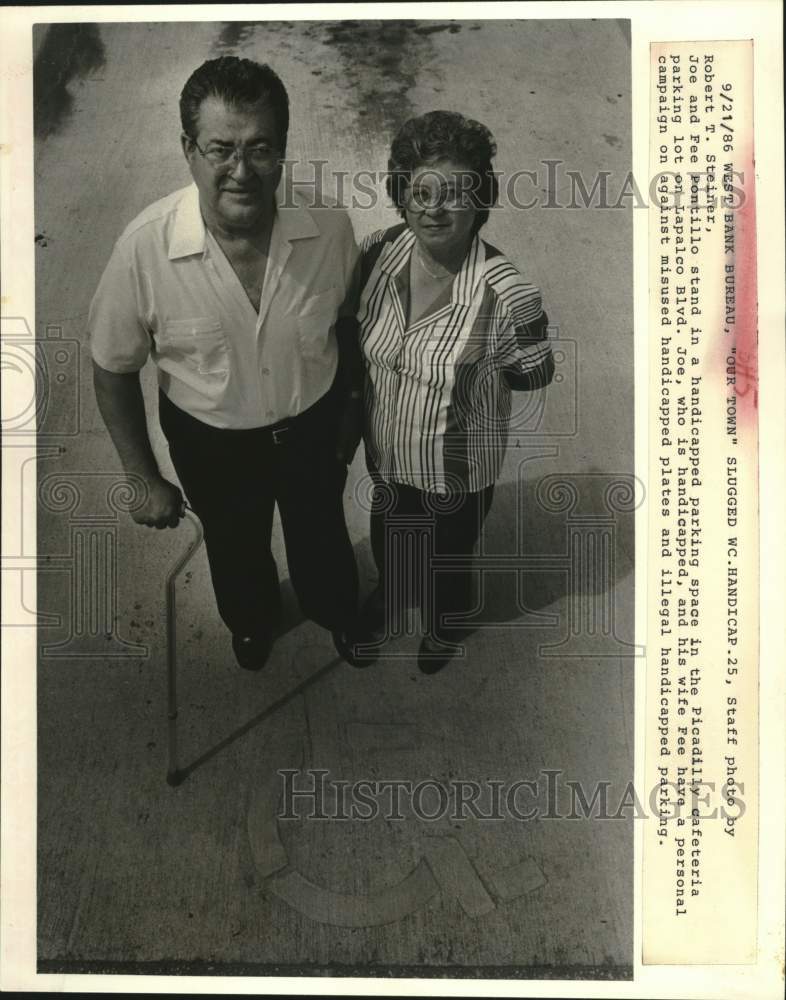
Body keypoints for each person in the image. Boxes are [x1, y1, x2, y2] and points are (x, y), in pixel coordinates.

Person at [89, 56, 367, 671]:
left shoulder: (331, 227)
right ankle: (252, 623)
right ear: (189, 150)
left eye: (260, 148)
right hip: (210, 443)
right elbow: (111, 364)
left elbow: (347, 325)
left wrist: (349, 423)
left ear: (283, 150)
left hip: (312, 430)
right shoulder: (143, 247)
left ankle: (337, 612)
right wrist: (142, 477)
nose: (241, 171)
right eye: (221, 149)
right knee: (235, 551)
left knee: (322, 538)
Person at [355, 110, 554, 675]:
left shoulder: (510, 293)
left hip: (459, 473)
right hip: (389, 459)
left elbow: (533, 374)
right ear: (401, 194)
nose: (434, 208)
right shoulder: (377, 253)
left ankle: (446, 623)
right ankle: (392, 596)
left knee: (449, 558)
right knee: (390, 537)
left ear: (480, 199)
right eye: (420, 191)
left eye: (454, 193)